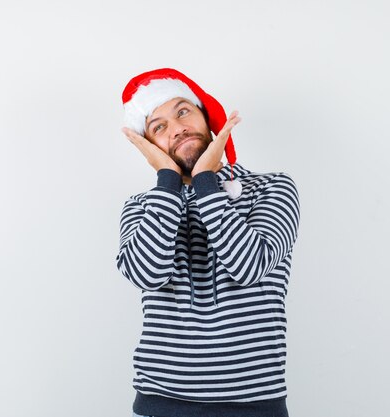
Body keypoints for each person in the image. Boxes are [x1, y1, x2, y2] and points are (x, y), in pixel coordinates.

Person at [116, 68, 300, 417]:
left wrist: (204, 180)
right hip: (163, 404)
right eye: (159, 127)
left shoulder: (273, 188)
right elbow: (147, 274)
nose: (177, 128)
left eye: (183, 112)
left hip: (255, 405)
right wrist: (168, 181)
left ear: (206, 117)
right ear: (149, 146)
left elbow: (249, 267)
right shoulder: (141, 207)